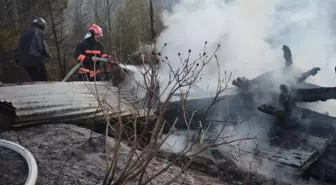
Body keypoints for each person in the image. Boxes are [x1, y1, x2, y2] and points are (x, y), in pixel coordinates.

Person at [15, 17, 52, 81]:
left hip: (23, 61)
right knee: (43, 79)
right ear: (42, 25)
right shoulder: (39, 32)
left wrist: (17, 60)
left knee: (35, 79)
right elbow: (42, 47)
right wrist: (48, 55)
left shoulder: (24, 32)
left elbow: (18, 47)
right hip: (34, 60)